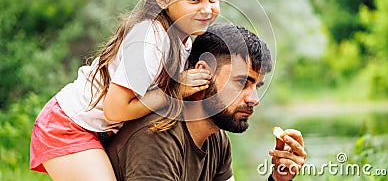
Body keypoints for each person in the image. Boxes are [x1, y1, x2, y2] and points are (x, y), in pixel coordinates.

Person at [30, 0, 223, 181]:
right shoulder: (150, 39)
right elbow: (115, 110)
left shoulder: (184, 43)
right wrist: (176, 90)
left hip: (104, 132)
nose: (206, 9)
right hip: (69, 126)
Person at [106, 23, 307, 181]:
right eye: (241, 82)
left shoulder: (216, 139)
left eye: (257, 87)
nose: (253, 99)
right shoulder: (156, 137)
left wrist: (278, 179)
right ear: (204, 71)